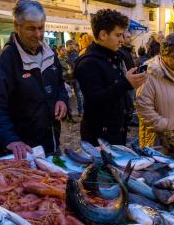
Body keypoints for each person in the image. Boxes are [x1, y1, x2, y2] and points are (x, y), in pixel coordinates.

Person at [0, 0, 68, 159]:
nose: (38, 34)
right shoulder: (6, 59)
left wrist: (61, 99)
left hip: (51, 143)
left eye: (41, 28)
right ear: (16, 26)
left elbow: (59, 84)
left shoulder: (49, 52)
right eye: (31, 29)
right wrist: (11, 139)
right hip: (24, 150)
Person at [74, 9, 146, 146]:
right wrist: (126, 83)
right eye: (118, 35)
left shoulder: (113, 55)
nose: (121, 40)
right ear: (103, 35)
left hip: (116, 131)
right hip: (99, 137)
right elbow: (95, 100)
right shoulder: (88, 62)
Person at [136, 33, 174, 147]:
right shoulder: (149, 74)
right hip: (160, 141)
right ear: (163, 55)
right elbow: (143, 108)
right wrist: (166, 125)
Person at [57, 45, 76, 123]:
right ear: (58, 51)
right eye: (62, 50)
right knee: (66, 98)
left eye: (65, 50)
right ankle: (69, 116)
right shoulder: (57, 60)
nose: (64, 52)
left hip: (70, 79)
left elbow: (71, 67)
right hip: (64, 80)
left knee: (69, 98)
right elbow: (66, 69)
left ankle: (68, 115)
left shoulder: (66, 59)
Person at [66, 40, 83, 116]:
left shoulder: (77, 54)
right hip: (67, 78)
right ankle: (69, 113)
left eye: (72, 44)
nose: (71, 46)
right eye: (70, 44)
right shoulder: (64, 54)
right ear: (67, 46)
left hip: (76, 77)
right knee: (68, 96)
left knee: (79, 95)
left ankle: (80, 111)